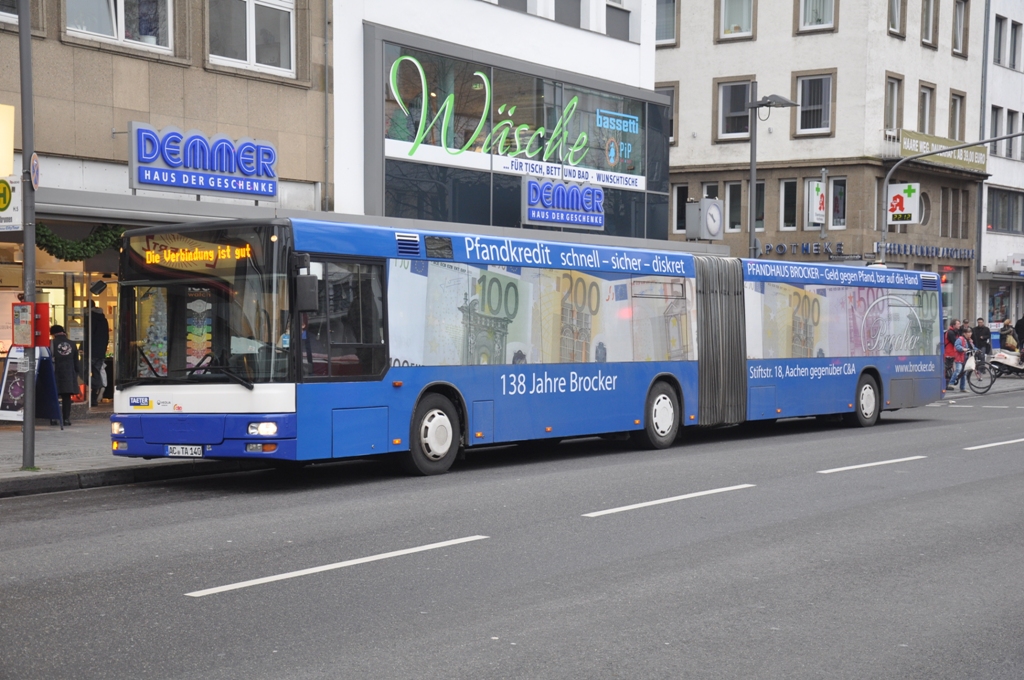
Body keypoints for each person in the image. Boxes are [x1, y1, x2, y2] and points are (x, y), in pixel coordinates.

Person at [50, 325, 81, 426]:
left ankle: (54, 418)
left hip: (55, 372)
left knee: (54, 396)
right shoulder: (72, 343)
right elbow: (76, 362)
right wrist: (75, 373)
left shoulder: (52, 343)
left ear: (53, 334)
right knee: (66, 397)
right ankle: (66, 419)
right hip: (68, 373)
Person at [88, 302, 109, 406]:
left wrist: (83, 348)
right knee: (97, 373)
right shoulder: (103, 319)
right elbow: (106, 336)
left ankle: (94, 388)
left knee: (82, 372)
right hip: (100, 352)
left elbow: (88, 335)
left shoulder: (90, 318)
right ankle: (94, 398)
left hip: (91, 351)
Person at [950, 327, 975, 392]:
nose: (970, 334)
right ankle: (951, 383)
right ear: (964, 333)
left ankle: (962, 388)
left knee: (964, 373)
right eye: (968, 332)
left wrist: (977, 350)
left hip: (965, 359)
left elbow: (973, 347)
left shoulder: (969, 340)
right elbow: (957, 345)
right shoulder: (960, 339)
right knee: (958, 369)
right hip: (959, 358)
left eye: (970, 332)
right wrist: (963, 349)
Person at [943, 319, 960, 383]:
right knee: (948, 369)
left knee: (950, 368)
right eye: (958, 324)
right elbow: (955, 342)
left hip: (952, 353)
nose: (959, 325)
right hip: (949, 353)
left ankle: (949, 381)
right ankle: (947, 383)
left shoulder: (955, 332)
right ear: (953, 325)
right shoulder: (950, 332)